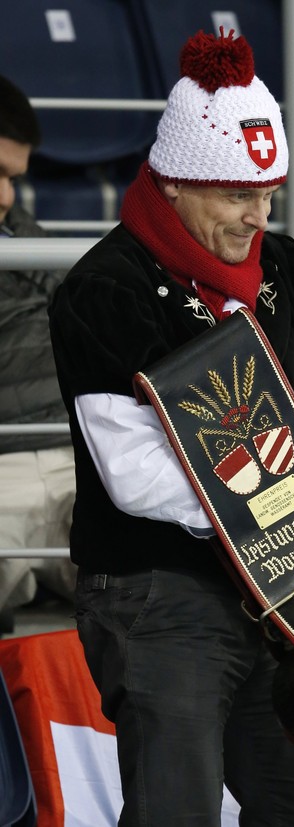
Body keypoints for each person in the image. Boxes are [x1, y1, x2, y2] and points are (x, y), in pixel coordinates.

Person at [48, 29, 294, 827]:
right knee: (177, 812)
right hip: (160, 591)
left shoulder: (283, 269)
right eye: (237, 195)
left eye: (269, 193)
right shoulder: (106, 289)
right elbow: (135, 475)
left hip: (281, 588)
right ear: (173, 183)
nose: (258, 217)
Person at [0, 73, 76, 633]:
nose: (7, 198)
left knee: (178, 565)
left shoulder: (31, 237)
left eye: (14, 180)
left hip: (84, 463)